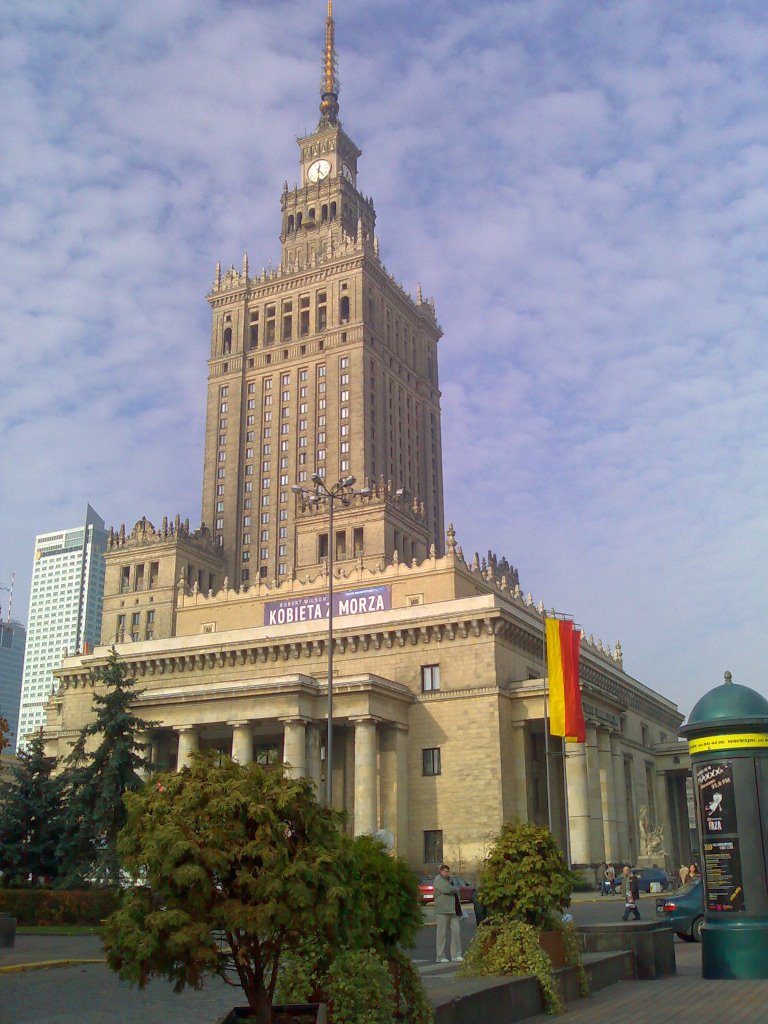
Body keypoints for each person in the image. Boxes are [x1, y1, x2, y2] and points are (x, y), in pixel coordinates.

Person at [433, 863, 463, 963]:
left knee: (456, 932)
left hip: (453, 911)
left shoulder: (450, 880)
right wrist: (456, 889)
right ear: (440, 871)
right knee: (441, 934)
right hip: (442, 911)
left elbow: (455, 889)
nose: (447, 873)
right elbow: (448, 889)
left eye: (448, 871)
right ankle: (440, 956)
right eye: (445, 871)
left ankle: (456, 955)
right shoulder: (438, 880)